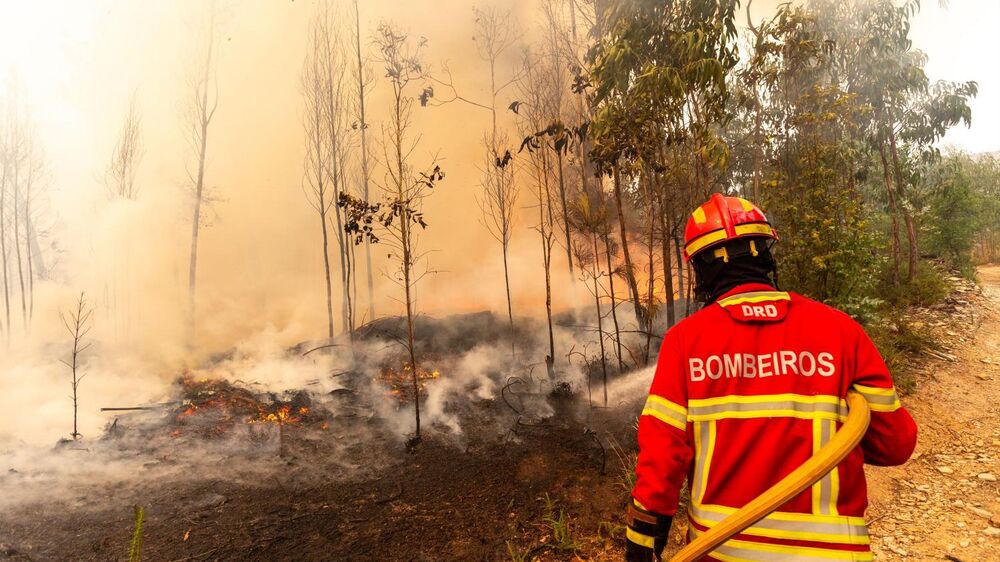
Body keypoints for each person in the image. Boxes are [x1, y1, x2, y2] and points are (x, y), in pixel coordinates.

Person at [625, 194, 918, 562]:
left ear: (699, 270)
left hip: (722, 553)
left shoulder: (686, 342)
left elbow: (663, 457)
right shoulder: (839, 331)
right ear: (765, 255)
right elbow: (896, 445)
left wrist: (642, 538)